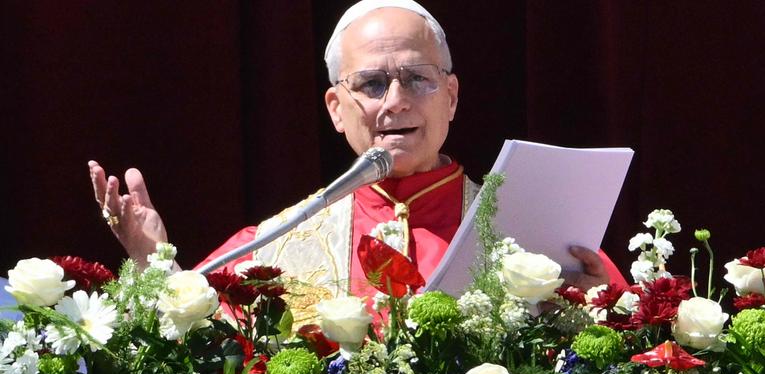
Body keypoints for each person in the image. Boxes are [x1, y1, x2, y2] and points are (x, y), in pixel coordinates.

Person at [90, 0, 626, 325]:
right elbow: (194, 335)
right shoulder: (277, 242)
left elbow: (629, 339)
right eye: (371, 83)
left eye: (418, 78)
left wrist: (597, 307)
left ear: (452, 96)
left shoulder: (532, 230)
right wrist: (152, 263)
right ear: (335, 109)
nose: (395, 101)